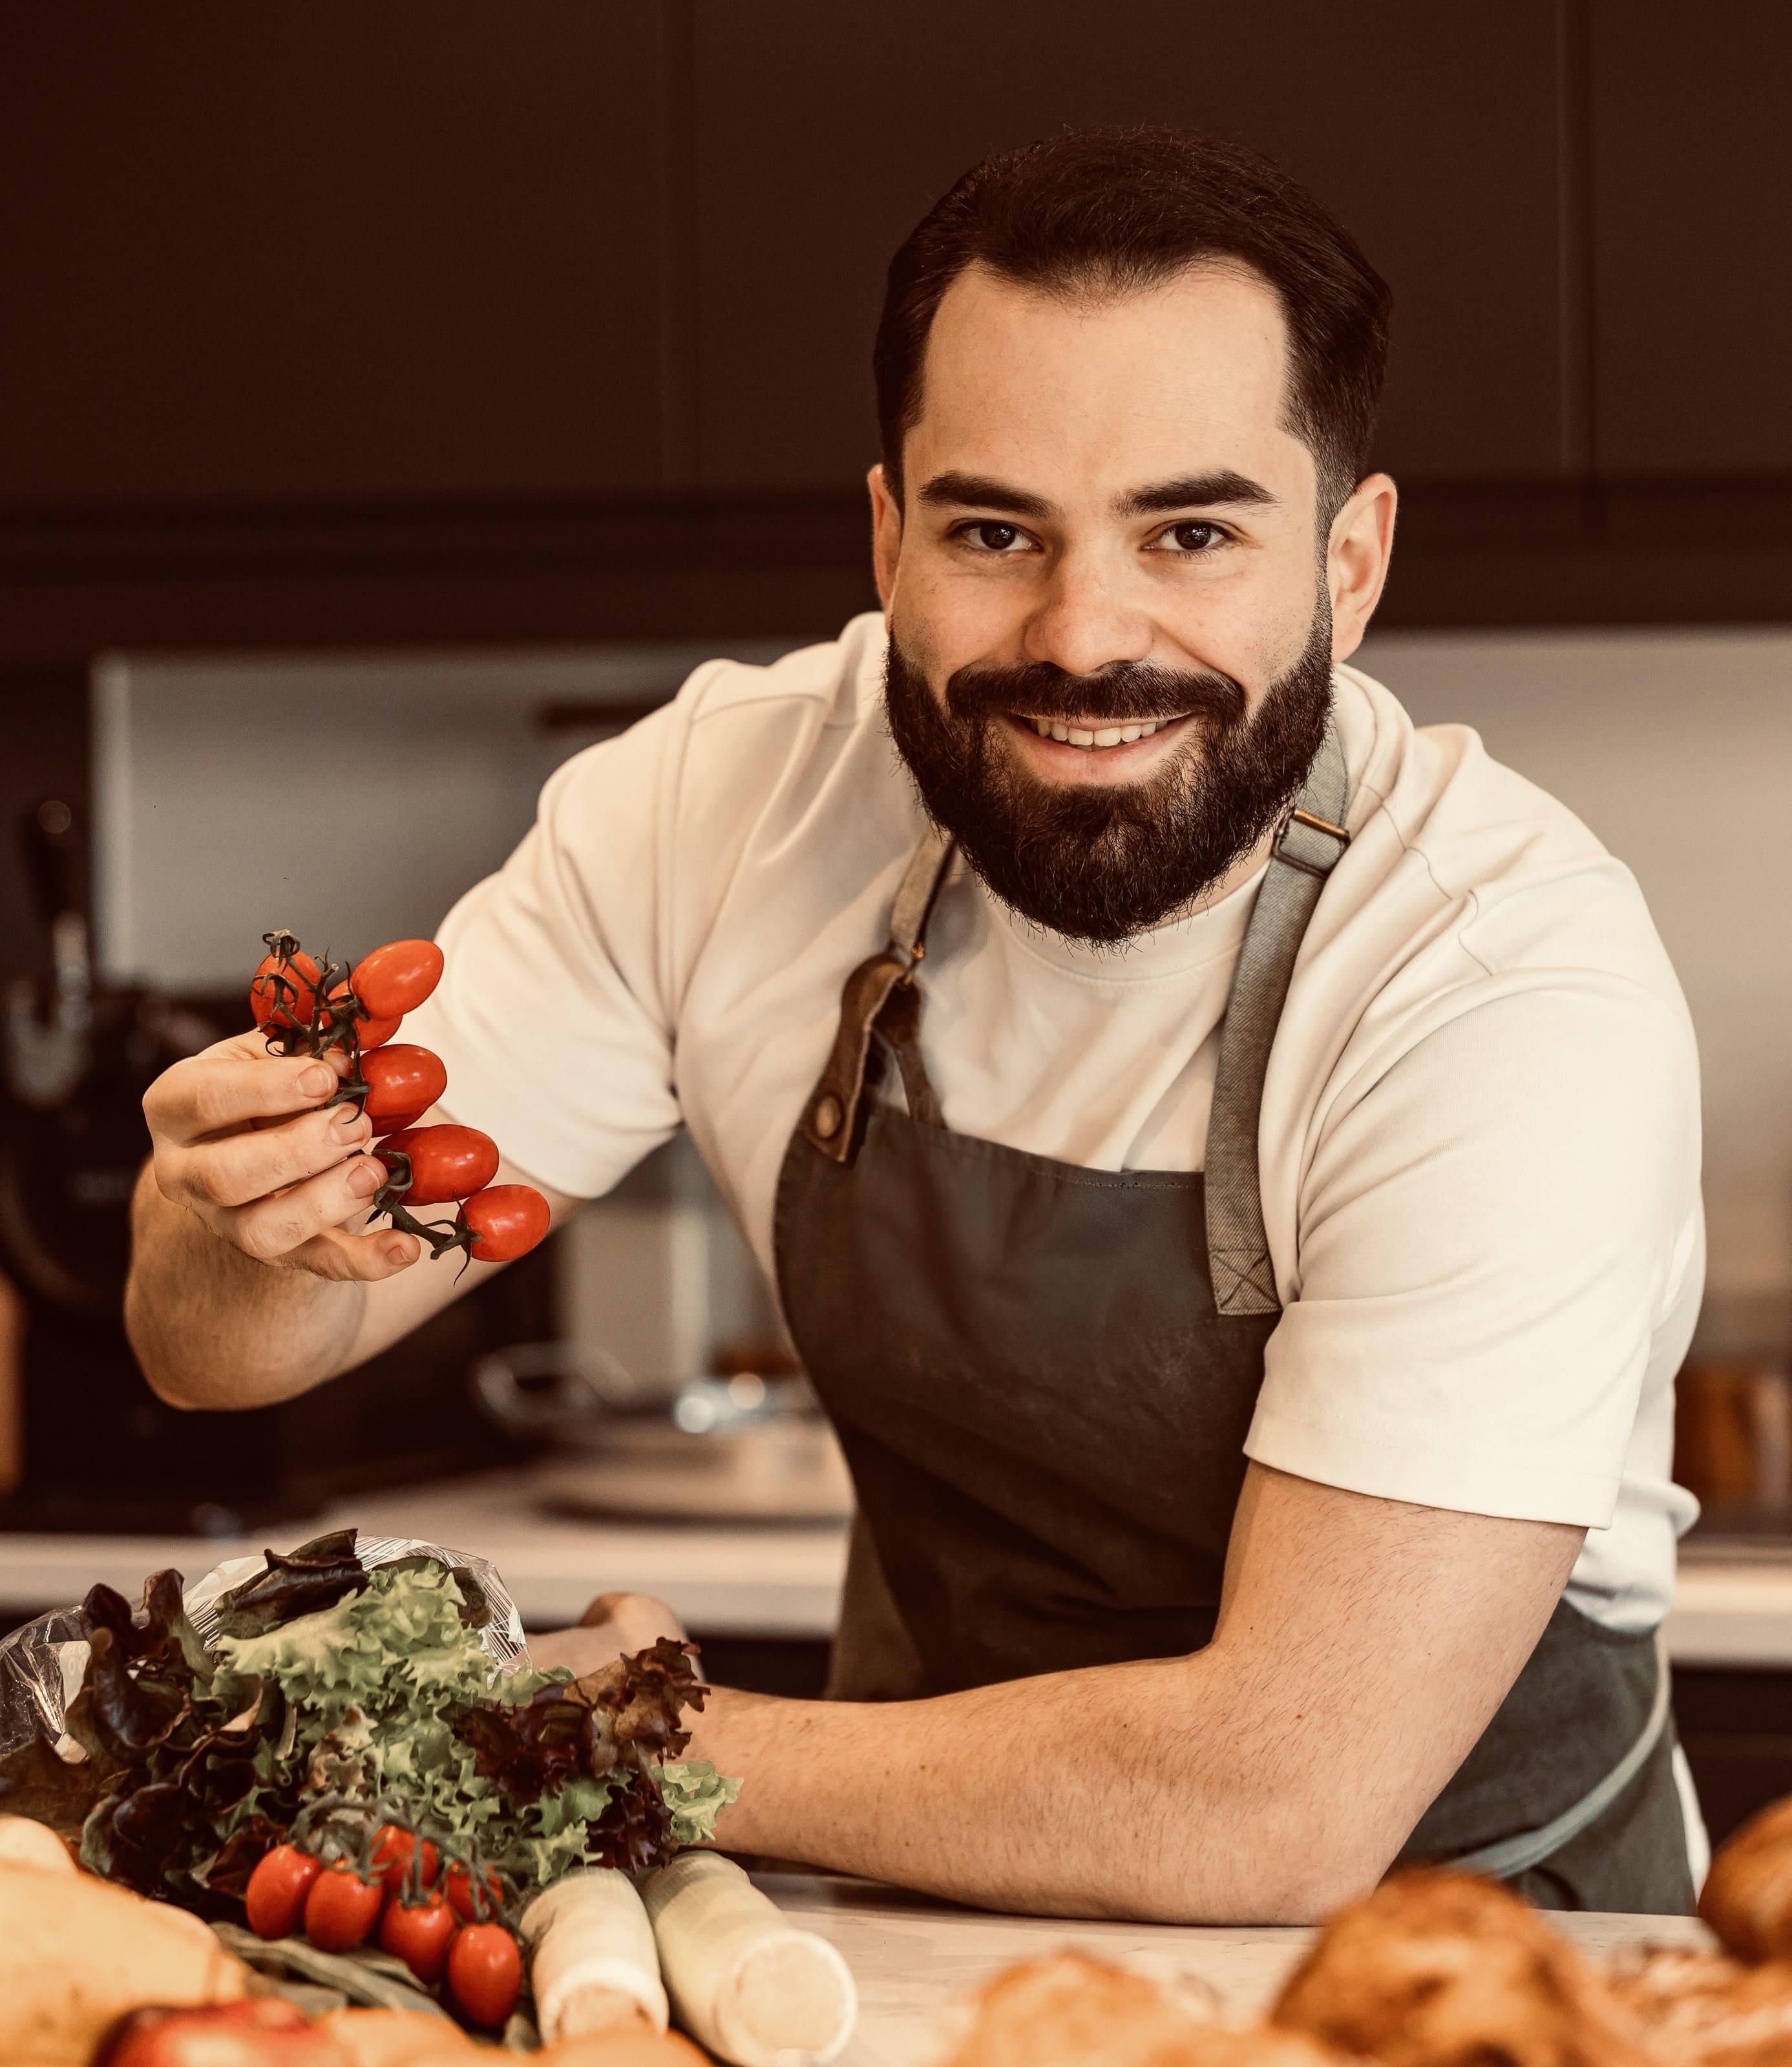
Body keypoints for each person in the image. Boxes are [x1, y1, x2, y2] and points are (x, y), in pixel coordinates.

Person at [126, 127, 1705, 1922]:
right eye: (993, 531)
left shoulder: (1499, 986)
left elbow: (1280, 1802)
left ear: (1350, 563)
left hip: (1475, 1970)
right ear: (888, 539)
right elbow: (223, 1353)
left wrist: (636, 1738)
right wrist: (222, 1213)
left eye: (1192, 533)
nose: (1082, 636)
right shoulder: (715, 815)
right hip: (914, 1928)